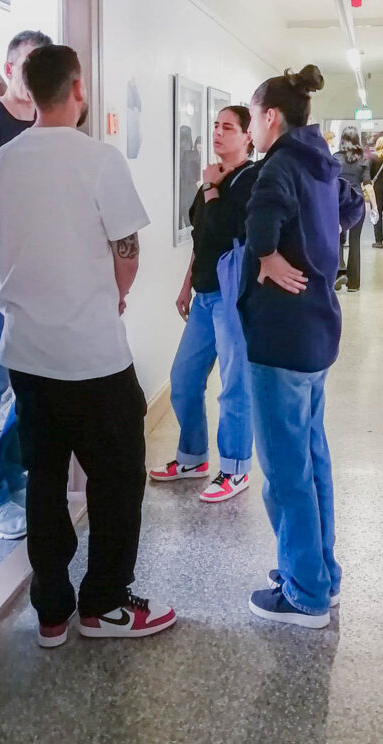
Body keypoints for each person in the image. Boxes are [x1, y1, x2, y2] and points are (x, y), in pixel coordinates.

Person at [0, 44, 175, 647]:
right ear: (76, 89)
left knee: (43, 478)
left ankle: (50, 612)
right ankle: (103, 606)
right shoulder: (100, 160)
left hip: (27, 356)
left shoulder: (3, 163)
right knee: (118, 481)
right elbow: (128, 250)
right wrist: (116, 295)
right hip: (93, 357)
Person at [239, 65, 364, 628]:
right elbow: (354, 207)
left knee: (286, 471)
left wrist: (266, 254)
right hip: (316, 335)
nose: (250, 130)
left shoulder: (280, 166)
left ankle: (305, 593)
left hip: (281, 339)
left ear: (271, 117)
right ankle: (321, 573)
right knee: (312, 459)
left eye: (252, 117)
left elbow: (260, 219)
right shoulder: (321, 164)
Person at [149, 106, 258, 502]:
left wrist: (212, 187)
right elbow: (202, 237)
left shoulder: (251, 179)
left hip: (232, 297)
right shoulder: (208, 181)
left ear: (247, 136)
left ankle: (235, 468)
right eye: (215, 125)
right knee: (184, 378)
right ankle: (193, 456)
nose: (218, 132)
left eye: (228, 127)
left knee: (234, 386)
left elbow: (230, 227)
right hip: (204, 295)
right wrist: (186, 284)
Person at [0, 30, 52, 540]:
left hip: (36, 269)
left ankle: (10, 468)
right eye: (27, 65)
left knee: (29, 379)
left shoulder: (47, 126)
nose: (33, 75)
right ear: (9, 69)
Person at [333, 126, 373, 293]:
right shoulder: (363, 159)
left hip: (337, 203)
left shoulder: (335, 158)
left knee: (337, 239)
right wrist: (374, 207)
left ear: (342, 140)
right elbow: (367, 184)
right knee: (355, 241)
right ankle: (354, 283)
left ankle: (337, 274)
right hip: (357, 205)